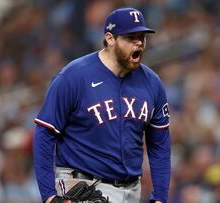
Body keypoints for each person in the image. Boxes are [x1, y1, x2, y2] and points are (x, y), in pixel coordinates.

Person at [33, 7, 171, 203]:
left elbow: (160, 145)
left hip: (132, 190)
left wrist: (160, 196)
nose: (139, 42)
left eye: (142, 36)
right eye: (131, 37)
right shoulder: (74, 77)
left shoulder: (152, 83)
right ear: (110, 38)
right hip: (82, 187)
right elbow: (44, 134)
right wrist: (48, 195)